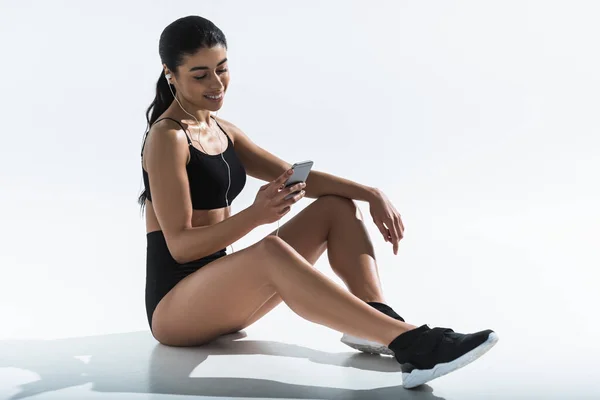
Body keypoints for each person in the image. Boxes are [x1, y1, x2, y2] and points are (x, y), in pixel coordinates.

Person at [138, 15, 499, 389]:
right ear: (170, 74)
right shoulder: (167, 138)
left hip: (220, 294)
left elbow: (293, 174)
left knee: (336, 207)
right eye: (200, 75)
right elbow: (180, 247)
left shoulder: (220, 128)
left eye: (222, 69)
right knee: (270, 250)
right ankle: (413, 343)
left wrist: (370, 193)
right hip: (176, 310)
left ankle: (375, 319)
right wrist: (257, 216)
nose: (216, 84)